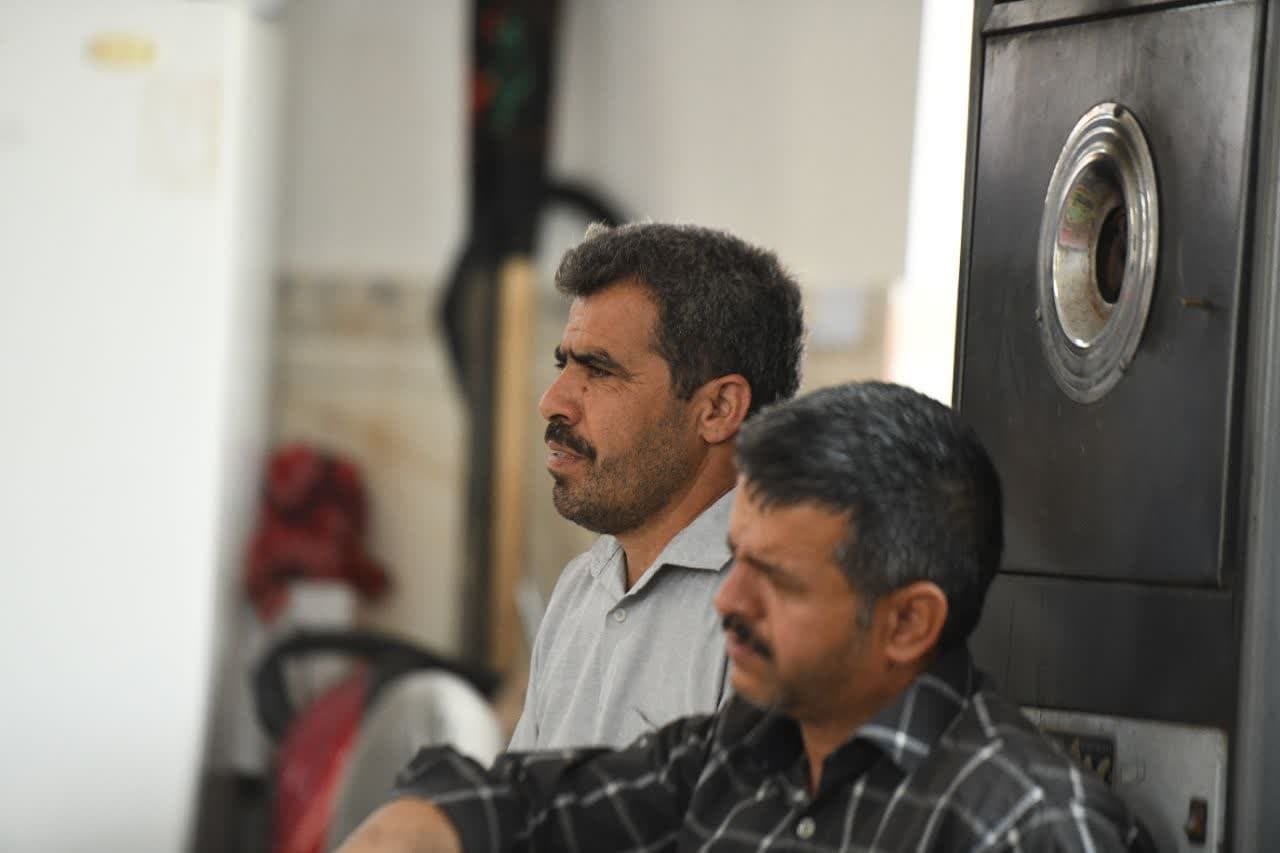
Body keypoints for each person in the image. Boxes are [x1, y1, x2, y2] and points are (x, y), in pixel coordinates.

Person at [337, 382, 1138, 852]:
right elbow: (538, 801)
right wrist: (432, 819)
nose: (727, 598)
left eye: (775, 578)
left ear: (907, 623)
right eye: (737, 557)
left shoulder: (1021, 827)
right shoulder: (750, 747)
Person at [507, 222, 805, 751]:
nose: (552, 401)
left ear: (718, 409)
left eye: (599, 371)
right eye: (563, 363)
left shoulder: (775, 608)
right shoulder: (581, 588)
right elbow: (522, 798)